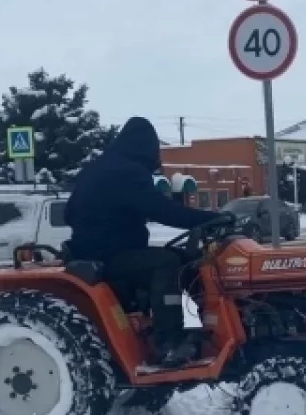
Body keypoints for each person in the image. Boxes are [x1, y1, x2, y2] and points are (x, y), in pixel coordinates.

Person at [64, 116, 228, 367]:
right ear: (146, 147)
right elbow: (161, 210)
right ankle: (169, 341)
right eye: (156, 150)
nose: (157, 157)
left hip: (94, 250)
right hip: (108, 255)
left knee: (187, 260)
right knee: (167, 263)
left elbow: (69, 213)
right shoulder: (125, 172)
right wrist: (211, 219)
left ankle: (196, 328)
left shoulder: (100, 167)